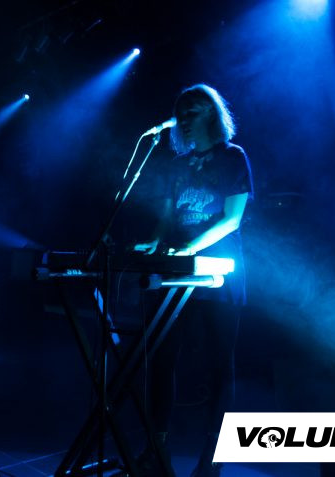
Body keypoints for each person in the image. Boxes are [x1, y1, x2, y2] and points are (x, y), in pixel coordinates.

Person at [133, 84, 253, 477]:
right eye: (180, 113)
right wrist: (155, 240)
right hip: (178, 274)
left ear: (211, 115)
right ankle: (156, 447)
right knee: (161, 357)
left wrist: (190, 250)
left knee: (220, 364)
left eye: (192, 112)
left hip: (219, 275)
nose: (183, 120)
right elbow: (167, 217)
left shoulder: (233, 157)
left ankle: (214, 456)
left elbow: (232, 219)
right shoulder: (177, 164)